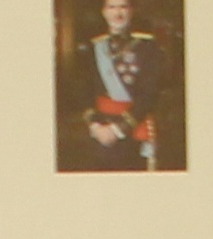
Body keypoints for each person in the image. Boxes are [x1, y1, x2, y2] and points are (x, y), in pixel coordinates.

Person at [62, 0, 182, 170]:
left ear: (131, 10)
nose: (117, 13)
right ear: (103, 11)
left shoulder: (148, 48)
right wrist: (95, 126)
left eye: (123, 7)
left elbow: (149, 94)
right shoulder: (93, 48)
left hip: (133, 131)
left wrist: (118, 130)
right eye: (112, 7)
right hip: (100, 133)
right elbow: (84, 90)